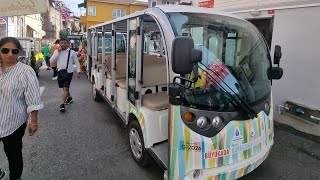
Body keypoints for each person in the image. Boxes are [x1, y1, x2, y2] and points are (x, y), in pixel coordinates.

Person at [0, 37, 43, 180]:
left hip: (13, 121)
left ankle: (16, 177)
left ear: (19, 53)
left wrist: (34, 121)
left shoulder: (26, 71)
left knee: (13, 154)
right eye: (5, 50)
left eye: (14, 51)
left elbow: (33, 98)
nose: (10, 54)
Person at [50, 38, 80, 112]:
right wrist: (57, 52)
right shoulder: (57, 51)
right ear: (59, 44)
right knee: (63, 87)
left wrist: (78, 72)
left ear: (68, 44)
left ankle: (62, 104)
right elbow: (51, 61)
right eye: (61, 43)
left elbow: (76, 62)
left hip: (69, 72)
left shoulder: (72, 52)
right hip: (60, 72)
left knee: (66, 88)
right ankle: (69, 97)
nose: (63, 44)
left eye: (64, 43)